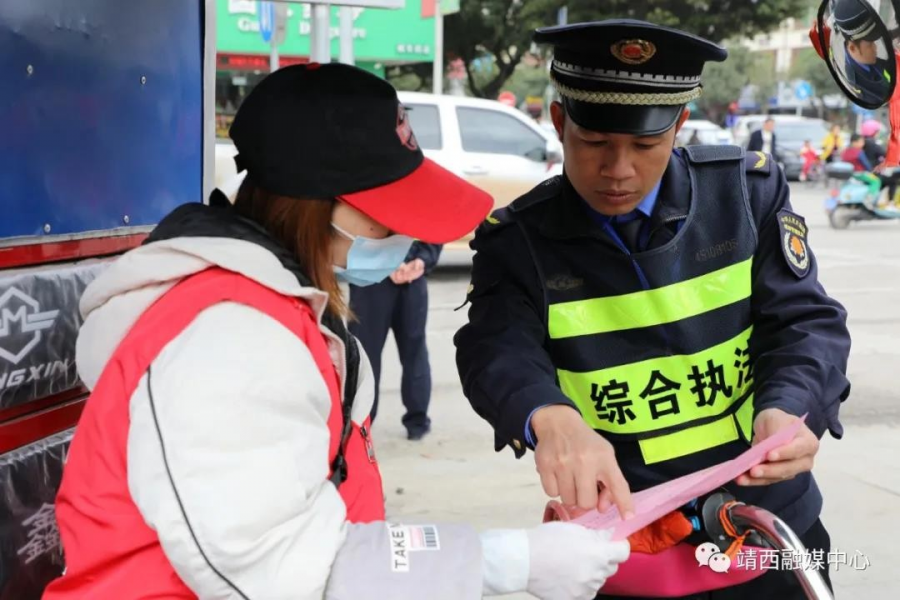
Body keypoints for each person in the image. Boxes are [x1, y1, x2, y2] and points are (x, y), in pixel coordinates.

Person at [43, 64, 630, 600]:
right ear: (312, 207)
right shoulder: (226, 341)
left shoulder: (287, 310)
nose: (404, 234)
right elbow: (288, 569)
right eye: (386, 215)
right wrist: (511, 561)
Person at [455, 19, 850, 599]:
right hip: (629, 541)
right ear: (560, 123)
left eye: (645, 146)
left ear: (679, 125)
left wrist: (791, 405)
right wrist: (549, 416)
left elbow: (805, 322)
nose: (619, 170)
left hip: (764, 526)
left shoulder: (744, 196)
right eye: (594, 143)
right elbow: (495, 346)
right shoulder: (519, 240)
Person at [348, 241, 442, 440]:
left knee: (365, 354)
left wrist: (388, 263)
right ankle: (417, 423)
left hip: (371, 280)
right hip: (411, 278)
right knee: (414, 352)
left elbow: (349, 231)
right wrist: (421, 259)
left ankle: (360, 424)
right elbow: (438, 225)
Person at [834, 0, 894, 107]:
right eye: (870, 44)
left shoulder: (863, 60)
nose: (875, 47)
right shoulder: (862, 85)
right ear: (852, 48)